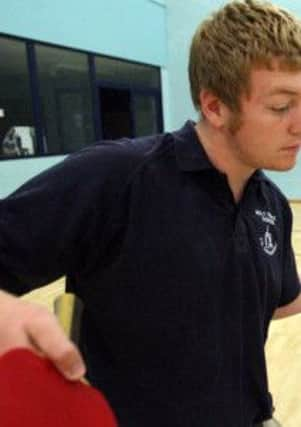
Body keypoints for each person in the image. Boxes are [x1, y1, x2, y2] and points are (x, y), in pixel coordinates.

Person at [1, 0, 301, 425]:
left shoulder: (269, 203)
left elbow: (274, 300)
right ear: (215, 107)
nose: (299, 123)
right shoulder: (114, 178)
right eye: (280, 106)